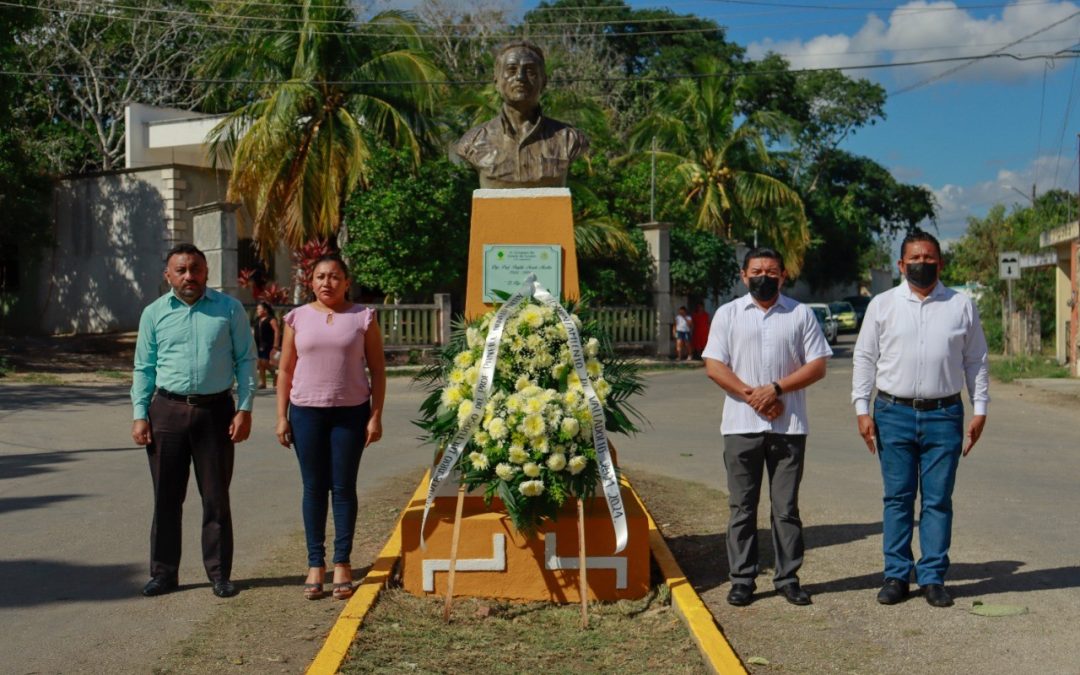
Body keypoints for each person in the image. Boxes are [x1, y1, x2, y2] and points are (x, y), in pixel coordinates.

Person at [851, 230, 989, 608]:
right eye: (915, 258)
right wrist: (862, 408)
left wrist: (980, 409)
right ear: (900, 264)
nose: (922, 265)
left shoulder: (961, 306)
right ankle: (896, 575)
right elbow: (864, 357)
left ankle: (932, 577)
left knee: (938, 500)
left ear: (940, 263)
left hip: (944, 415)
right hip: (892, 413)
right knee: (897, 498)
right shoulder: (882, 305)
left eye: (930, 259)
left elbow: (975, 360)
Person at [702, 247, 832, 607]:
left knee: (785, 508)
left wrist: (776, 389)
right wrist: (752, 396)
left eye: (771, 271)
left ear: (783, 276)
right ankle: (742, 579)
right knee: (741, 507)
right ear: (743, 276)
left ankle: (788, 578)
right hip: (740, 426)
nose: (764, 277)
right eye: (756, 271)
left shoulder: (800, 314)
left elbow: (818, 365)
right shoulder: (727, 315)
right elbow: (715, 365)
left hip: (788, 427)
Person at [131, 243, 256, 599]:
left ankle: (219, 574)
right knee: (166, 498)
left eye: (196, 269)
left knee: (216, 497)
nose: (190, 276)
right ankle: (163, 574)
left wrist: (244, 408)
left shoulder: (229, 310)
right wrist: (140, 414)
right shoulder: (154, 314)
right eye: (181, 270)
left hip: (216, 413)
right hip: (166, 412)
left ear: (206, 272)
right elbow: (144, 367)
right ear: (168, 275)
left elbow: (246, 360)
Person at [275, 254, 386, 600]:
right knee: (313, 488)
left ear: (346, 282)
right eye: (321, 276)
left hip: (350, 414)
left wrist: (375, 415)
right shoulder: (297, 318)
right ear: (311, 282)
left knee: (343, 488)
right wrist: (282, 416)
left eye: (335, 276)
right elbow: (285, 371)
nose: (327, 283)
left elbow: (378, 371)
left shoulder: (362, 318)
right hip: (306, 412)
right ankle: (315, 564)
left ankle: (342, 562)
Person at [451, 41, 588, 188]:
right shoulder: (472, 142)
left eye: (530, 71)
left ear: (544, 82)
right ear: (496, 81)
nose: (520, 77)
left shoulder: (570, 139)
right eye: (511, 70)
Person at [253, 301, 281, 389]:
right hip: (259, 344)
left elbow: (277, 331)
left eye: (259, 309)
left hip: (268, 344)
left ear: (265, 310)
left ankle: (275, 374)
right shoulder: (257, 320)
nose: (257, 310)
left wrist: (276, 344)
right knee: (260, 363)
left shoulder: (271, 319)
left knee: (265, 362)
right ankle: (263, 382)